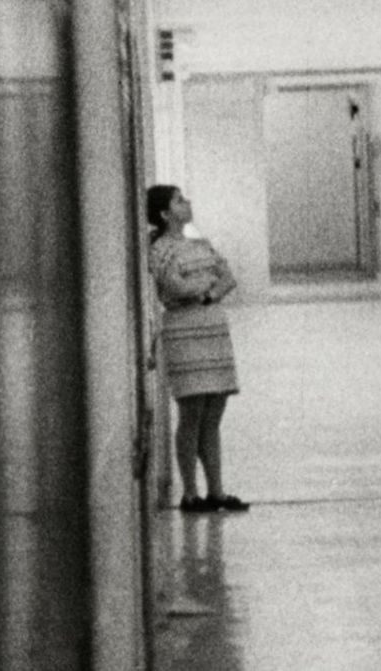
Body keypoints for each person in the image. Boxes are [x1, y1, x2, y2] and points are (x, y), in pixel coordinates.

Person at [147, 184, 249, 513]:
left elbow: (228, 278)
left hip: (213, 330)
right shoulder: (159, 249)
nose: (187, 203)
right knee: (191, 414)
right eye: (179, 200)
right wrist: (207, 284)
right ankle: (190, 493)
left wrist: (204, 292)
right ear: (164, 214)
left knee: (213, 414)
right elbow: (174, 285)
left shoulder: (201, 244)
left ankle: (216, 491)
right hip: (183, 332)